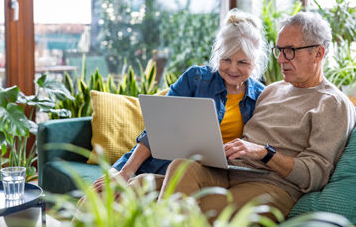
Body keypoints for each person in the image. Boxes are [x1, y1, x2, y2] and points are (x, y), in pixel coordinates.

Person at [133, 11, 356, 222]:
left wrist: (265, 153)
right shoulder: (272, 90)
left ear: (319, 53)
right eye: (279, 50)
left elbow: (316, 175)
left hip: (274, 187)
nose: (280, 60)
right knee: (140, 184)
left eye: (290, 50)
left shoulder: (332, 104)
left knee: (192, 207)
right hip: (232, 173)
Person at [87, 8, 269, 193]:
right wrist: (125, 172)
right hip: (160, 163)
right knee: (94, 198)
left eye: (243, 62)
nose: (233, 68)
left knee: (129, 194)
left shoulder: (262, 97)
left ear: (255, 62)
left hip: (206, 174)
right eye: (226, 59)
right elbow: (158, 127)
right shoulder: (196, 79)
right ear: (217, 56)